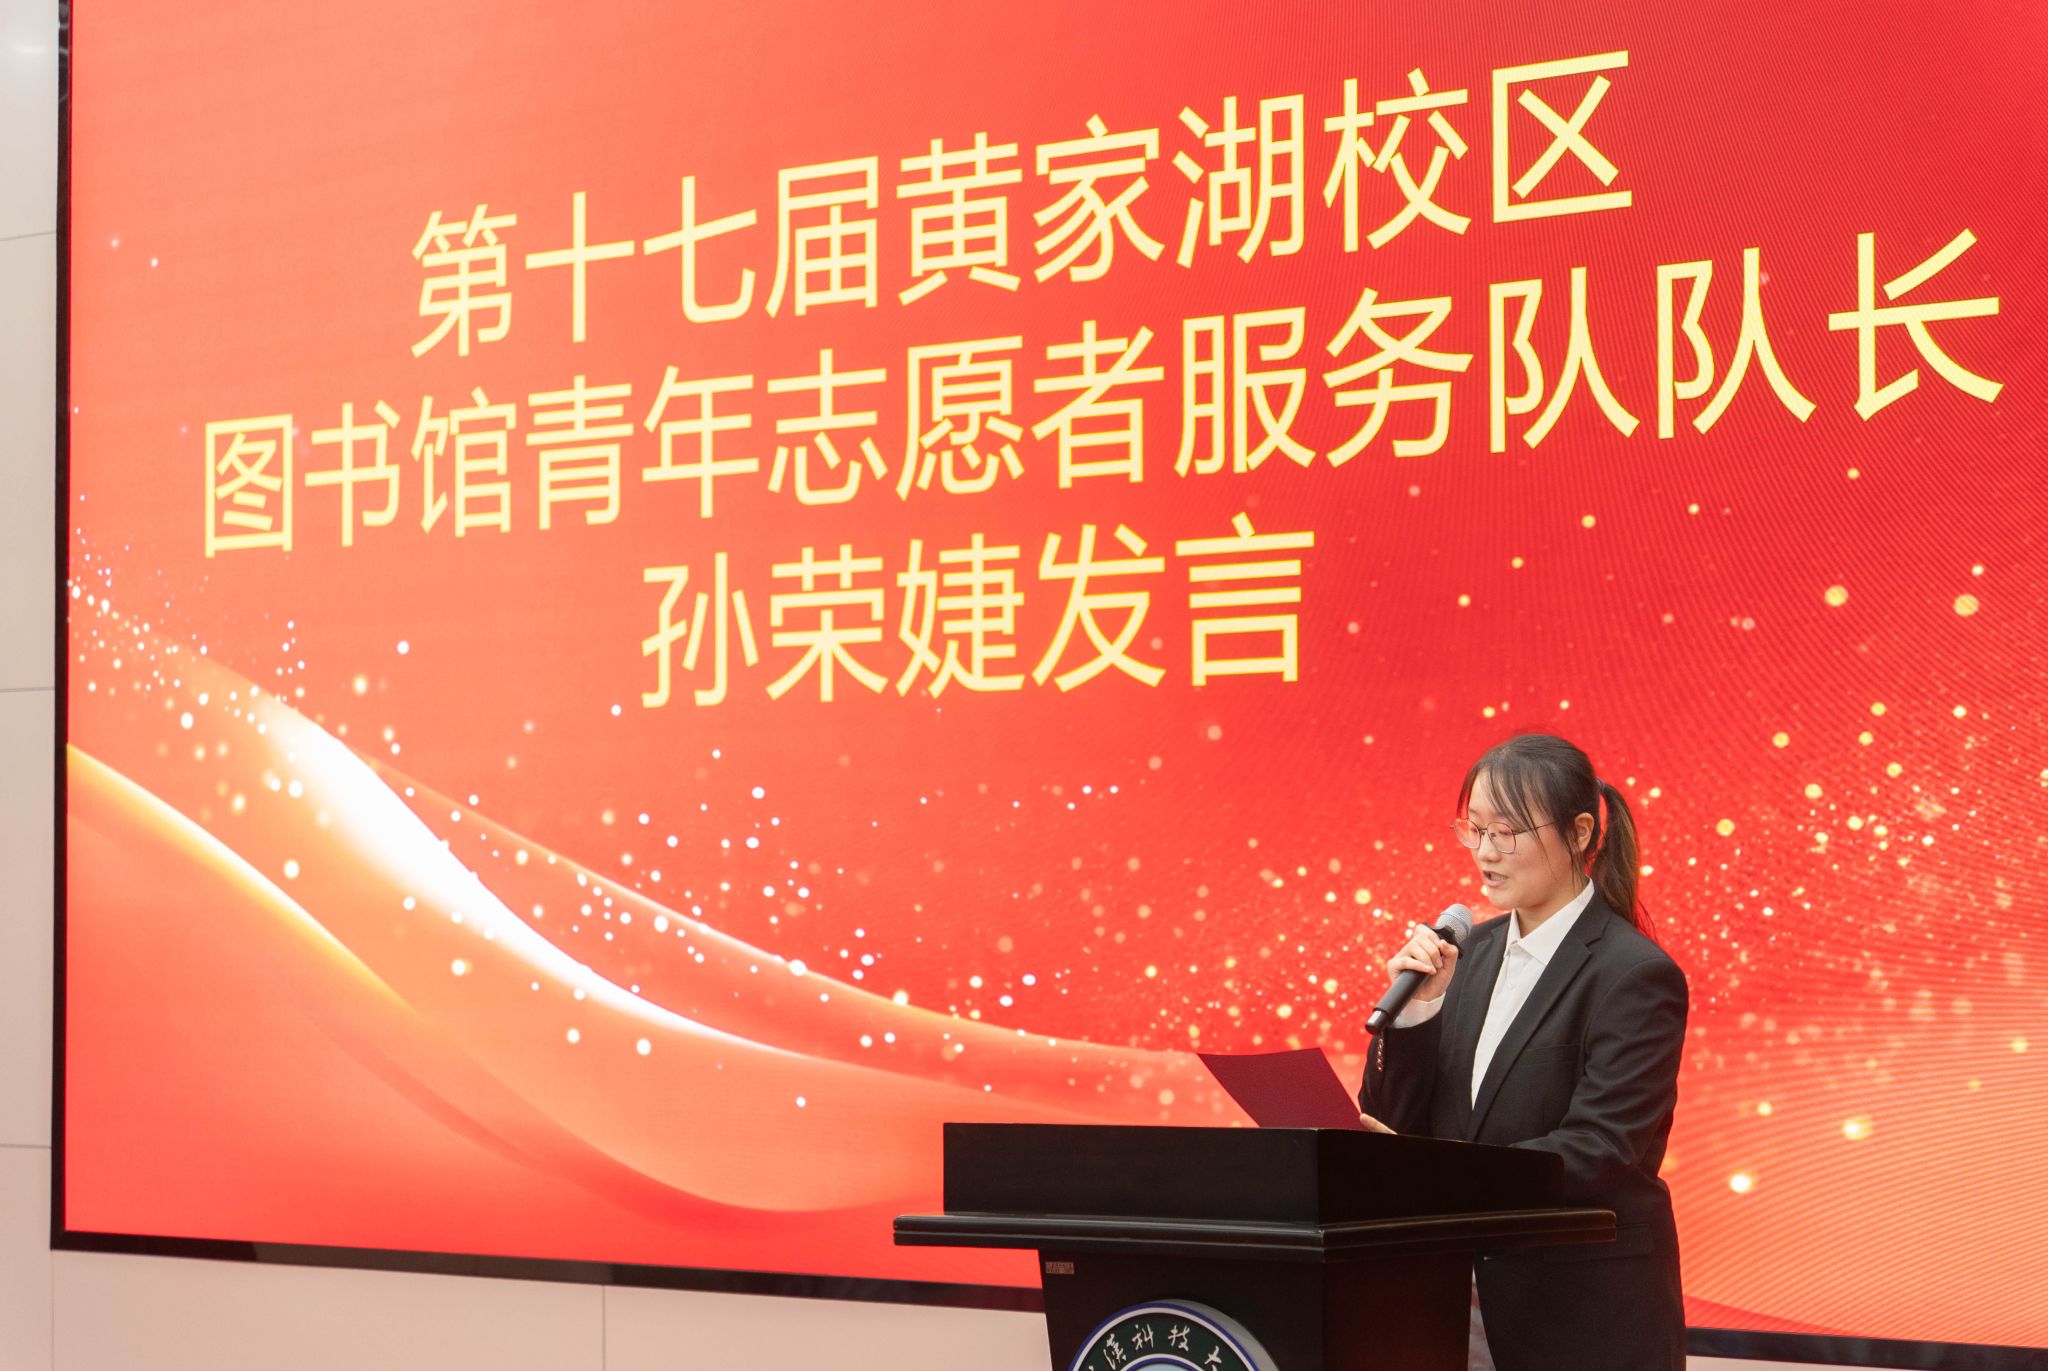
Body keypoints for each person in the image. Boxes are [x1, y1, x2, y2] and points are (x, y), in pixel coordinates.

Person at [1357, 733, 1688, 1371]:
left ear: (1580, 832)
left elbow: (1600, 1148)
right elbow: (1394, 1128)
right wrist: (1418, 1010)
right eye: (1475, 829)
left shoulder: (1634, 974)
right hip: (1449, 1306)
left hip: (1578, 1318)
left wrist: (1444, 1178)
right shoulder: (1464, 955)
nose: (1485, 852)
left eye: (1507, 832)